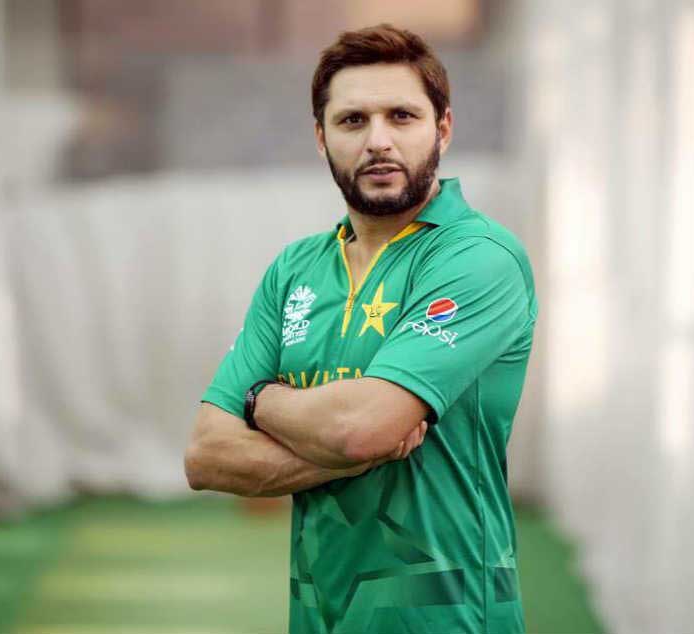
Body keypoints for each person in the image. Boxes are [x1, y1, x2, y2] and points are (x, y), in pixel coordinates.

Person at [184, 23, 538, 634]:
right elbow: (206, 457)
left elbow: (359, 430)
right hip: (319, 615)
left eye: (402, 116)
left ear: (443, 129)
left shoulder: (480, 257)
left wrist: (260, 400)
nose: (378, 141)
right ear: (321, 138)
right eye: (352, 121)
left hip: (448, 619)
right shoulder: (293, 270)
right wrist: (344, 444)